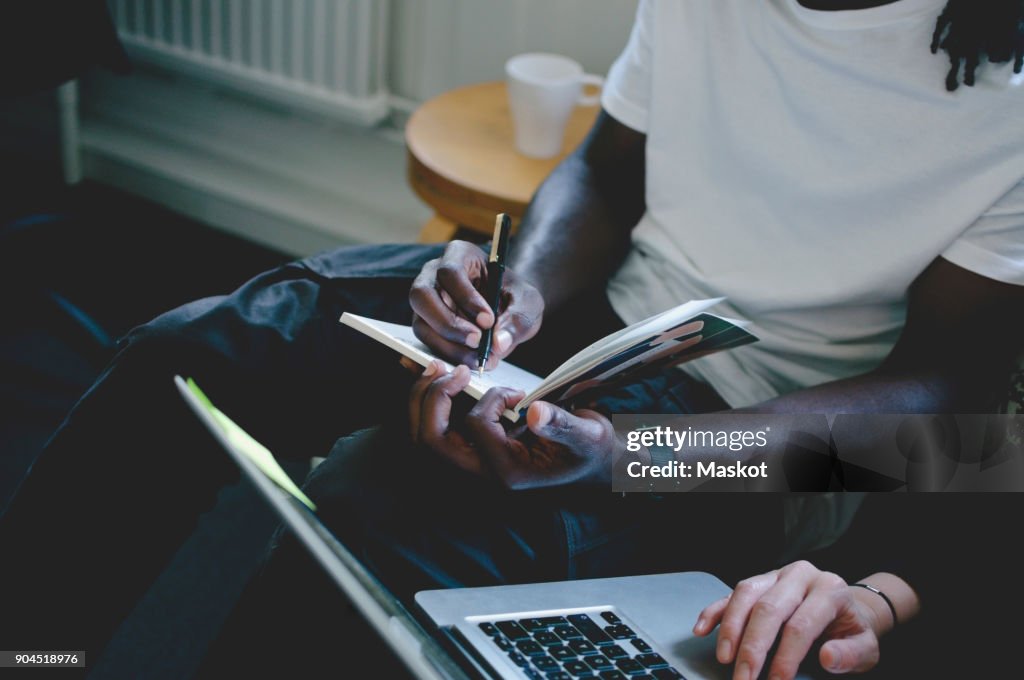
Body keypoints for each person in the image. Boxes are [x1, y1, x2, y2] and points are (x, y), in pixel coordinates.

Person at [2, 0, 1023, 677]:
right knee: (199, 349)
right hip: (597, 311)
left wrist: (632, 457)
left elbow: (945, 398)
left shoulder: (1005, 90)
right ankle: (35, 650)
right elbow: (603, 170)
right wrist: (515, 297)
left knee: (383, 533)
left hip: (751, 429)